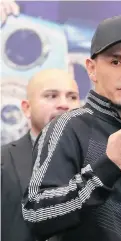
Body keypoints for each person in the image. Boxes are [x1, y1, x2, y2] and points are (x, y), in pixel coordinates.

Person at [22, 15, 121, 241]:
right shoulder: (67, 128)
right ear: (92, 69)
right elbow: (36, 214)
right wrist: (106, 170)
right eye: (115, 62)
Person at [1, 68, 80, 241]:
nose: (64, 104)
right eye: (51, 96)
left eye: (72, 97)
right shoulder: (3, 161)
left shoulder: (99, 163)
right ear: (27, 108)